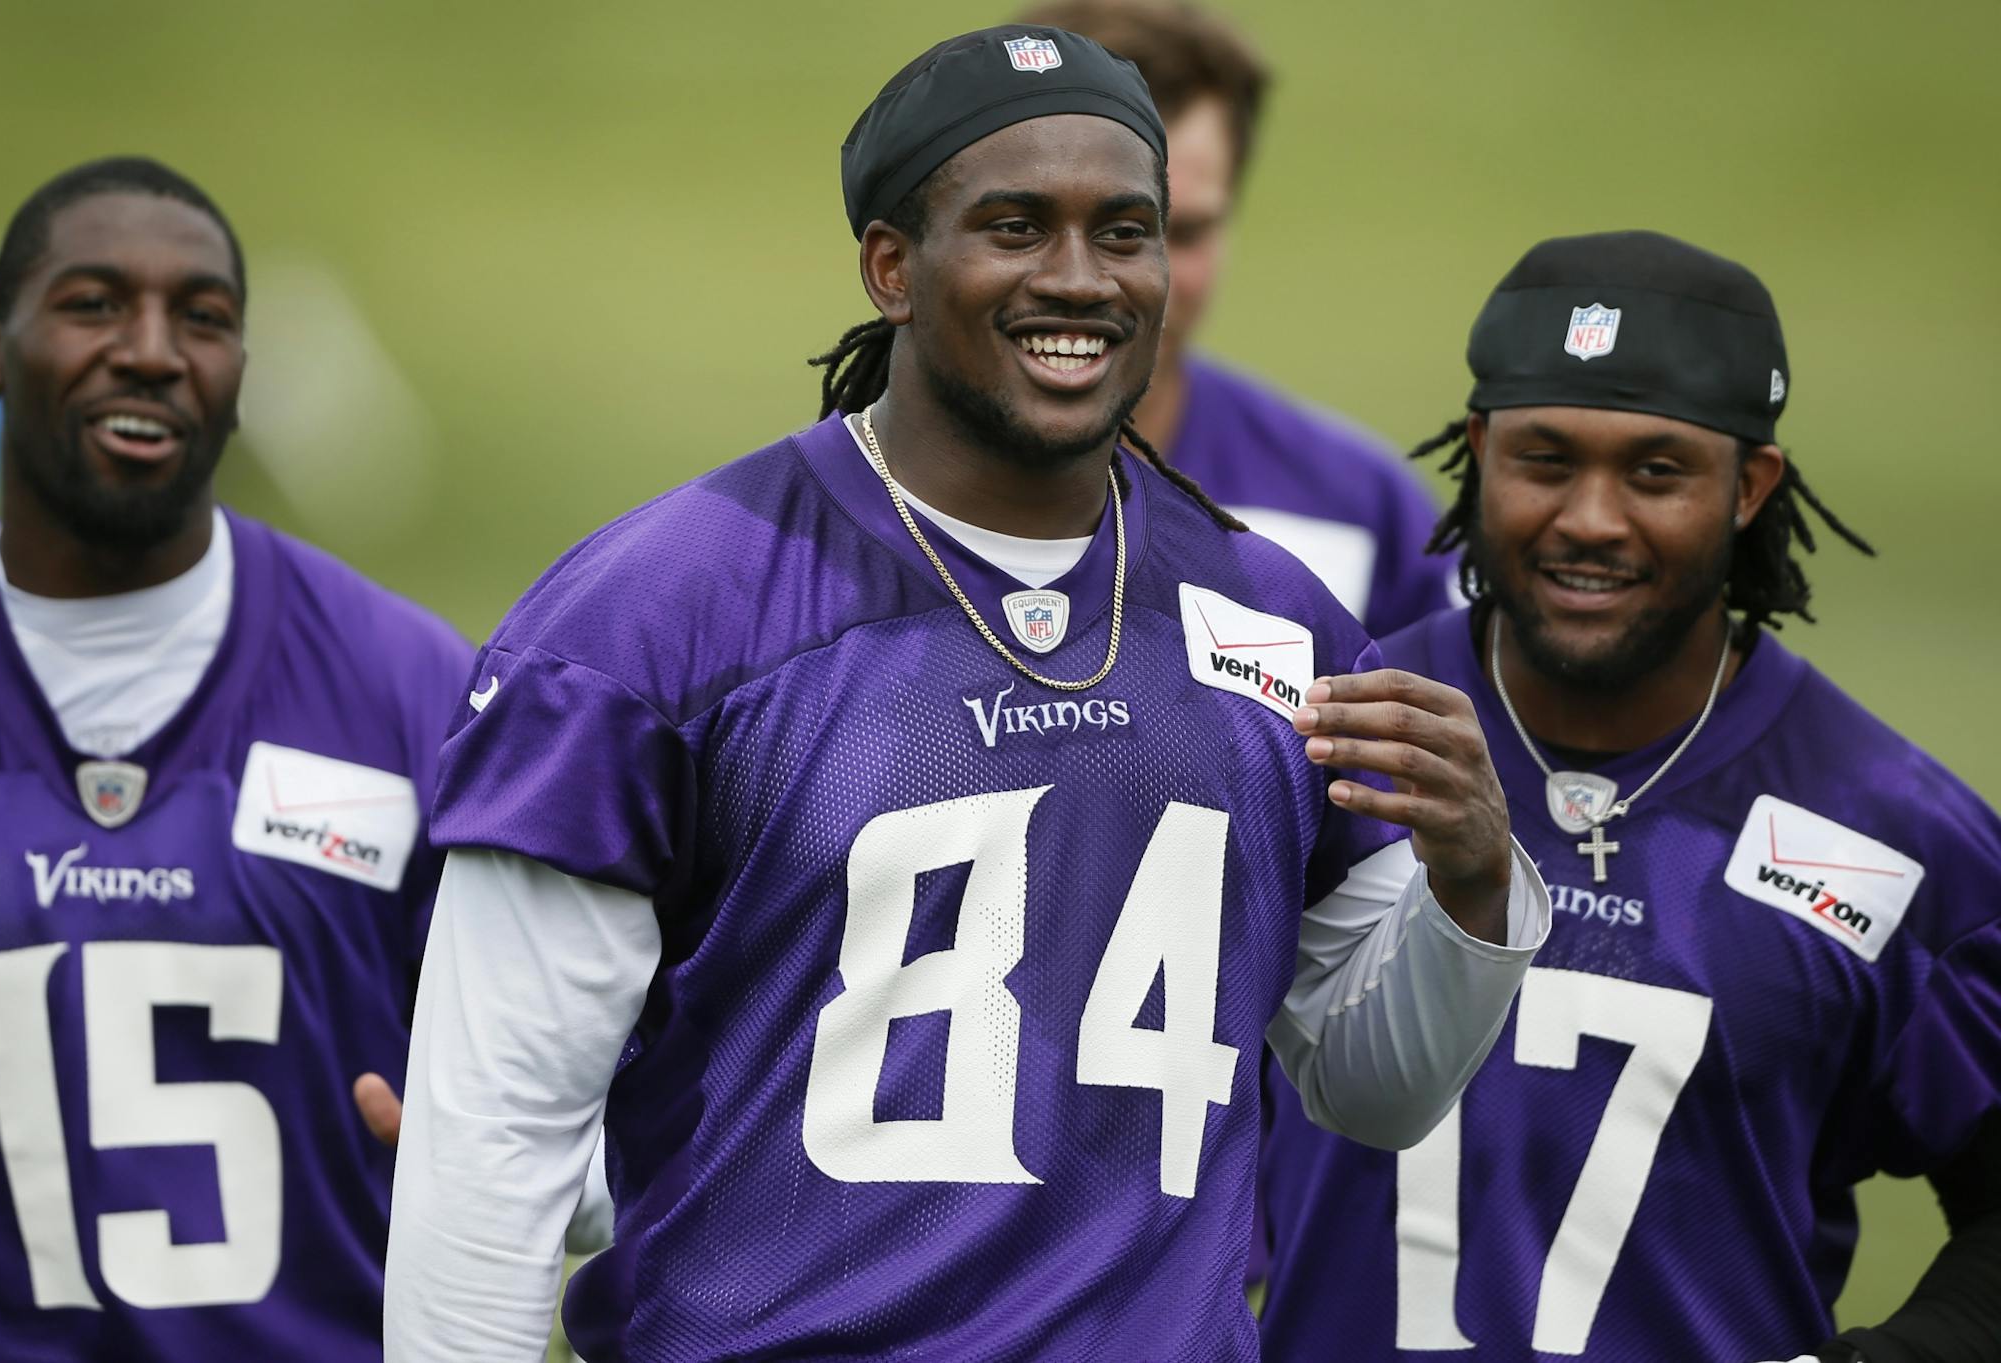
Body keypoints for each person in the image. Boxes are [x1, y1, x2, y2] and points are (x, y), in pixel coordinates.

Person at [385, 26, 1550, 1362]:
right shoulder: (654, 617)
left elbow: (1374, 1084)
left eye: (1124, 232)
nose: (1078, 278)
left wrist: (1472, 883)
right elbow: (497, 1129)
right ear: (892, 266)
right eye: (1014, 226)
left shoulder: (1278, 620)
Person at [1255, 231, 2001, 1362]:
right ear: (1479, 451)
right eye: (1545, 460)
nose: (1592, 519)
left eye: (1656, 472)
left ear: (1751, 485)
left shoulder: (1893, 832)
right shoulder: (1319, 741)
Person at [0, 157, 470, 1360]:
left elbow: (582, 1087)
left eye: (205, 318)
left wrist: (521, 1161)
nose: (149, 349)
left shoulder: (414, 692)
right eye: (91, 304)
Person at [1017, 0, 1458, 637]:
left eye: (1184, 232)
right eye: (1112, 229)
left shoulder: (1358, 512)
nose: (1136, 280)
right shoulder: (845, 508)